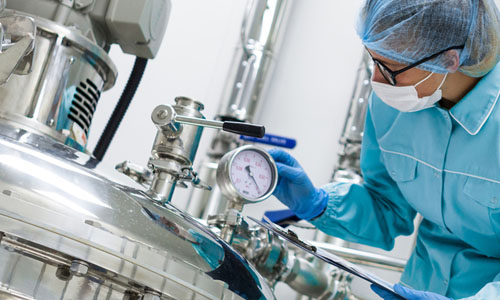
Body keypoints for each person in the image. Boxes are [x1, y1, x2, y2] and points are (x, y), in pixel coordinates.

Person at [268, 0, 500, 299]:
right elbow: (388, 208)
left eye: (391, 69)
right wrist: (319, 203)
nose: (377, 81)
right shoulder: (395, 106)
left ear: (449, 60)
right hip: (421, 285)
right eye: (374, 62)